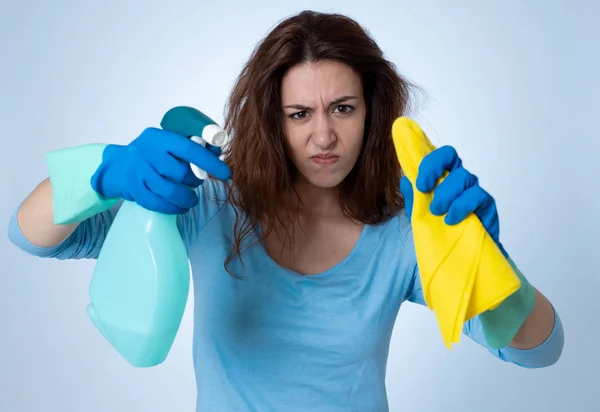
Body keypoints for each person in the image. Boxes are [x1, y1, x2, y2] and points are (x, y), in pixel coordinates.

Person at [8, 10, 563, 412]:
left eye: (342, 108)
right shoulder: (212, 203)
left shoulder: (405, 231)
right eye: (299, 114)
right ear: (273, 121)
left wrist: (492, 263)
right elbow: (32, 235)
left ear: (373, 110)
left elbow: (540, 351)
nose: (324, 136)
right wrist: (102, 171)